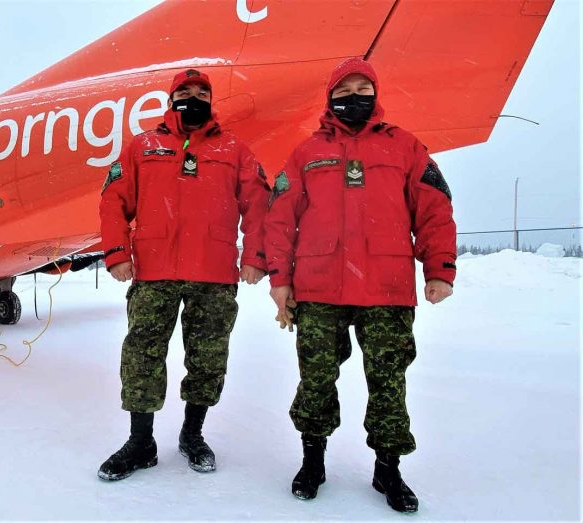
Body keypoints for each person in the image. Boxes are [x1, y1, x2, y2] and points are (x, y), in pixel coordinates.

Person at [264, 57, 456, 513]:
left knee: (388, 382)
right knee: (315, 380)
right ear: (330, 98)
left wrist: (439, 269)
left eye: (362, 89)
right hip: (318, 288)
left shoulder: (406, 147)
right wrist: (280, 280)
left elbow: (434, 209)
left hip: (386, 290)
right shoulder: (306, 152)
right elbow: (279, 219)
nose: (354, 97)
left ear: (375, 94)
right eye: (344, 90)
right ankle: (313, 461)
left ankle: (387, 469)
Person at [98, 69, 269, 480]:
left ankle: (193, 434)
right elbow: (113, 198)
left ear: (211, 101)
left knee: (208, 358)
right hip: (155, 269)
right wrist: (118, 252)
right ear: (171, 99)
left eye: (202, 92)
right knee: (142, 355)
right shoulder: (143, 146)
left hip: (213, 273)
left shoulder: (234, 149)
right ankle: (141, 442)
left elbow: (259, 202)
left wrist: (256, 257)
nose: (194, 98)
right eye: (185, 92)